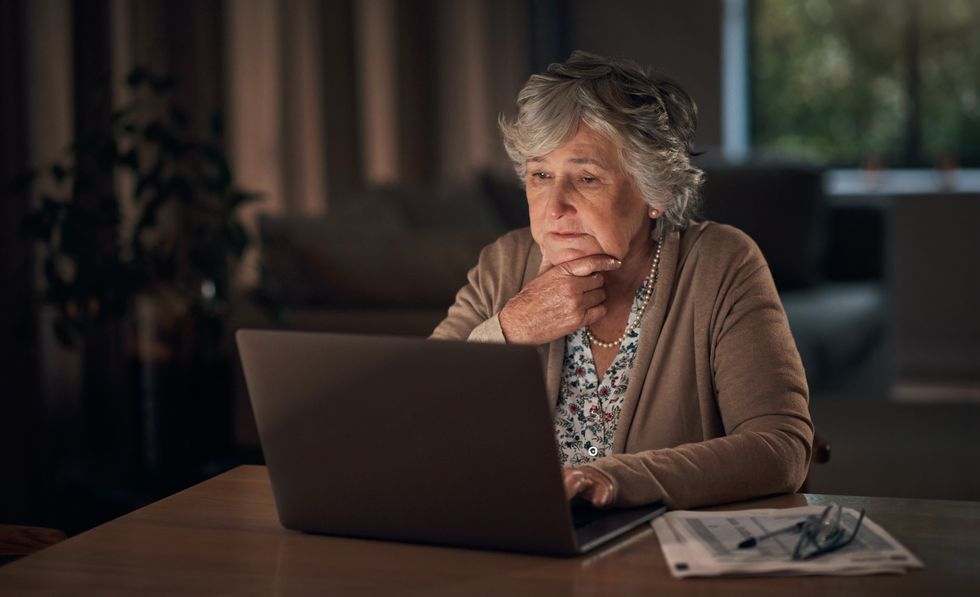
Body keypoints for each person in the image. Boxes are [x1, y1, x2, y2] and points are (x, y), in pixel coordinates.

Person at [431, 51, 813, 510]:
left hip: (662, 559)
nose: (554, 208)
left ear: (657, 192)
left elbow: (781, 449)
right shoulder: (504, 264)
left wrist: (613, 479)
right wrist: (508, 330)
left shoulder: (721, 264)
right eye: (540, 175)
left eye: (587, 178)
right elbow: (414, 414)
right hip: (517, 545)